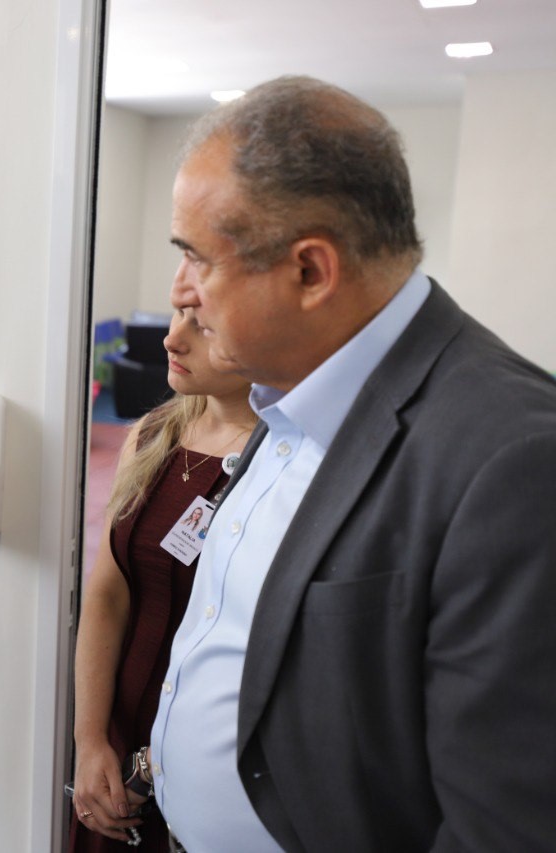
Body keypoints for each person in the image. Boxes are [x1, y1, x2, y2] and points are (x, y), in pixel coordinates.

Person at [145, 75, 556, 851]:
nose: (181, 293)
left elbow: (505, 826)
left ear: (310, 272)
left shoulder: (515, 462)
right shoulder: (284, 391)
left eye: (196, 257)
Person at [69, 308, 255, 852]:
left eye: (202, 323)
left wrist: (159, 758)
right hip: (120, 730)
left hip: (207, 747)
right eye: (177, 315)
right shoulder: (152, 435)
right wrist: (90, 741)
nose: (172, 339)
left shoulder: (279, 465)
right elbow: (108, 595)